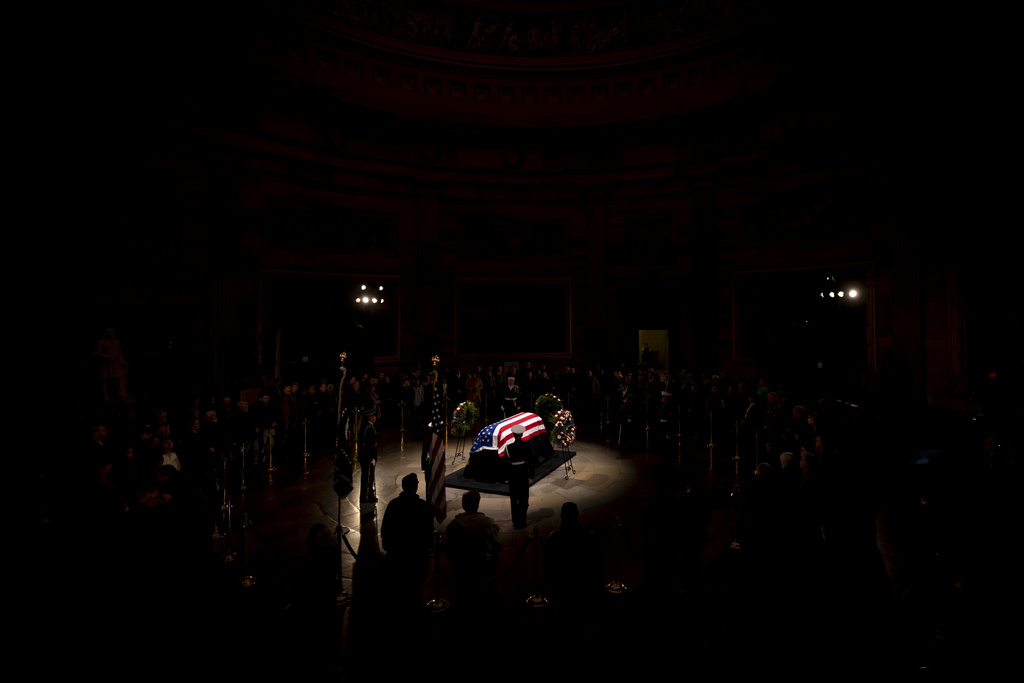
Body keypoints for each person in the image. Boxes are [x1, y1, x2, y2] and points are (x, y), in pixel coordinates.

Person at [381, 473, 446, 613]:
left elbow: (385, 529)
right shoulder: (422, 506)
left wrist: (388, 547)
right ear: (416, 486)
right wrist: (426, 550)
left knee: (399, 589)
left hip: (397, 555)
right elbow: (428, 531)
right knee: (416, 589)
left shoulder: (393, 505)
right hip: (417, 557)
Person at [445, 490, 502, 607]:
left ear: (463, 505)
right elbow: (494, 544)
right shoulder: (488, 523)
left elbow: (449, 547)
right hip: (482, 566)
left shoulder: (453, 525)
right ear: (478, 504)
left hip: (462, 567)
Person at [505, 424, 533, 529]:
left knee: (514, 498)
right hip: (523, 473)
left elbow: (506, 464)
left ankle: (515, 521)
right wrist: (531, 475)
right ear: (522, 434)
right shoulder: (527, 446)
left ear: (513, 435)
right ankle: (523, 521)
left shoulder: (509, 447)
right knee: (523, 497)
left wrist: (507, 477)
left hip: (513, 474)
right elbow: (531, 461)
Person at [358, 407, 378, 503]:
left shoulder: (366, 426)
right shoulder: (369, 428)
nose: (375, 417)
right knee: (367, 478)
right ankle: (366, 497)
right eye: (374, 416)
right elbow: (368, 445)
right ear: (370, 418)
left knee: (368, 478)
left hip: (365, 457)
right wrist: (371, 458)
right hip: (367, 458)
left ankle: (369, 494)